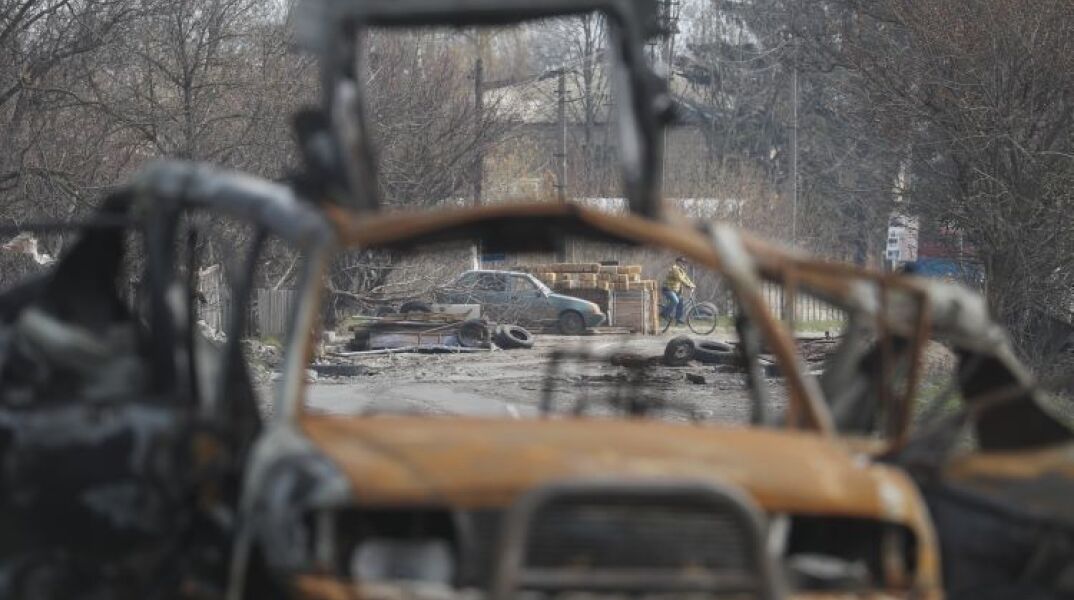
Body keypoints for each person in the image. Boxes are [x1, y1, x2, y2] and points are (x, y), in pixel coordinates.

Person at [662, 256, 696, 325]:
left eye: (684, 263)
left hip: (675, 290)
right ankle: (664, 314)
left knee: (681, 301)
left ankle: (678, 319)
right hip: (668, 289)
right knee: (675, 301)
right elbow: (680, 279)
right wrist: (689, 286)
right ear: (678, 262)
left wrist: (692, 285)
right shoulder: (675, 269)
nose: (684, 264)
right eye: (682, 262)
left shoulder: (681, 271)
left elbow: (686, 279)